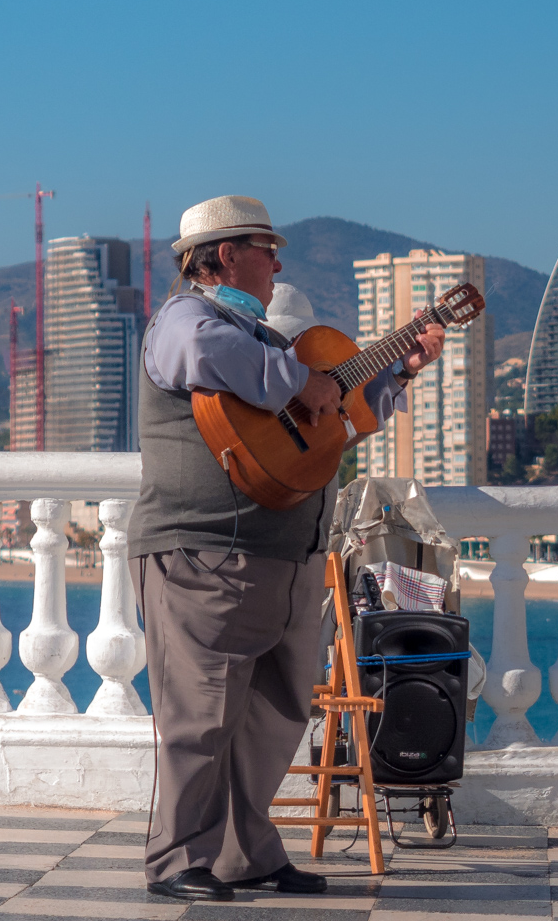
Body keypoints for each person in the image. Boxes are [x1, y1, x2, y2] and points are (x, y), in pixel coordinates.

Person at [129, 195, 445, 902]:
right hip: (200, 554)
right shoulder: (188, 319)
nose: (278, 260)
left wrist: (398, 369)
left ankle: (247, 853)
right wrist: (306, 381)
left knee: (275, 714)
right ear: (224, 255)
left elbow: (333, 423)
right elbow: (216, 358)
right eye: (264, 247)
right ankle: (178, 857)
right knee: (200, 715)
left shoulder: (269, 340)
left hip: (285, 558)